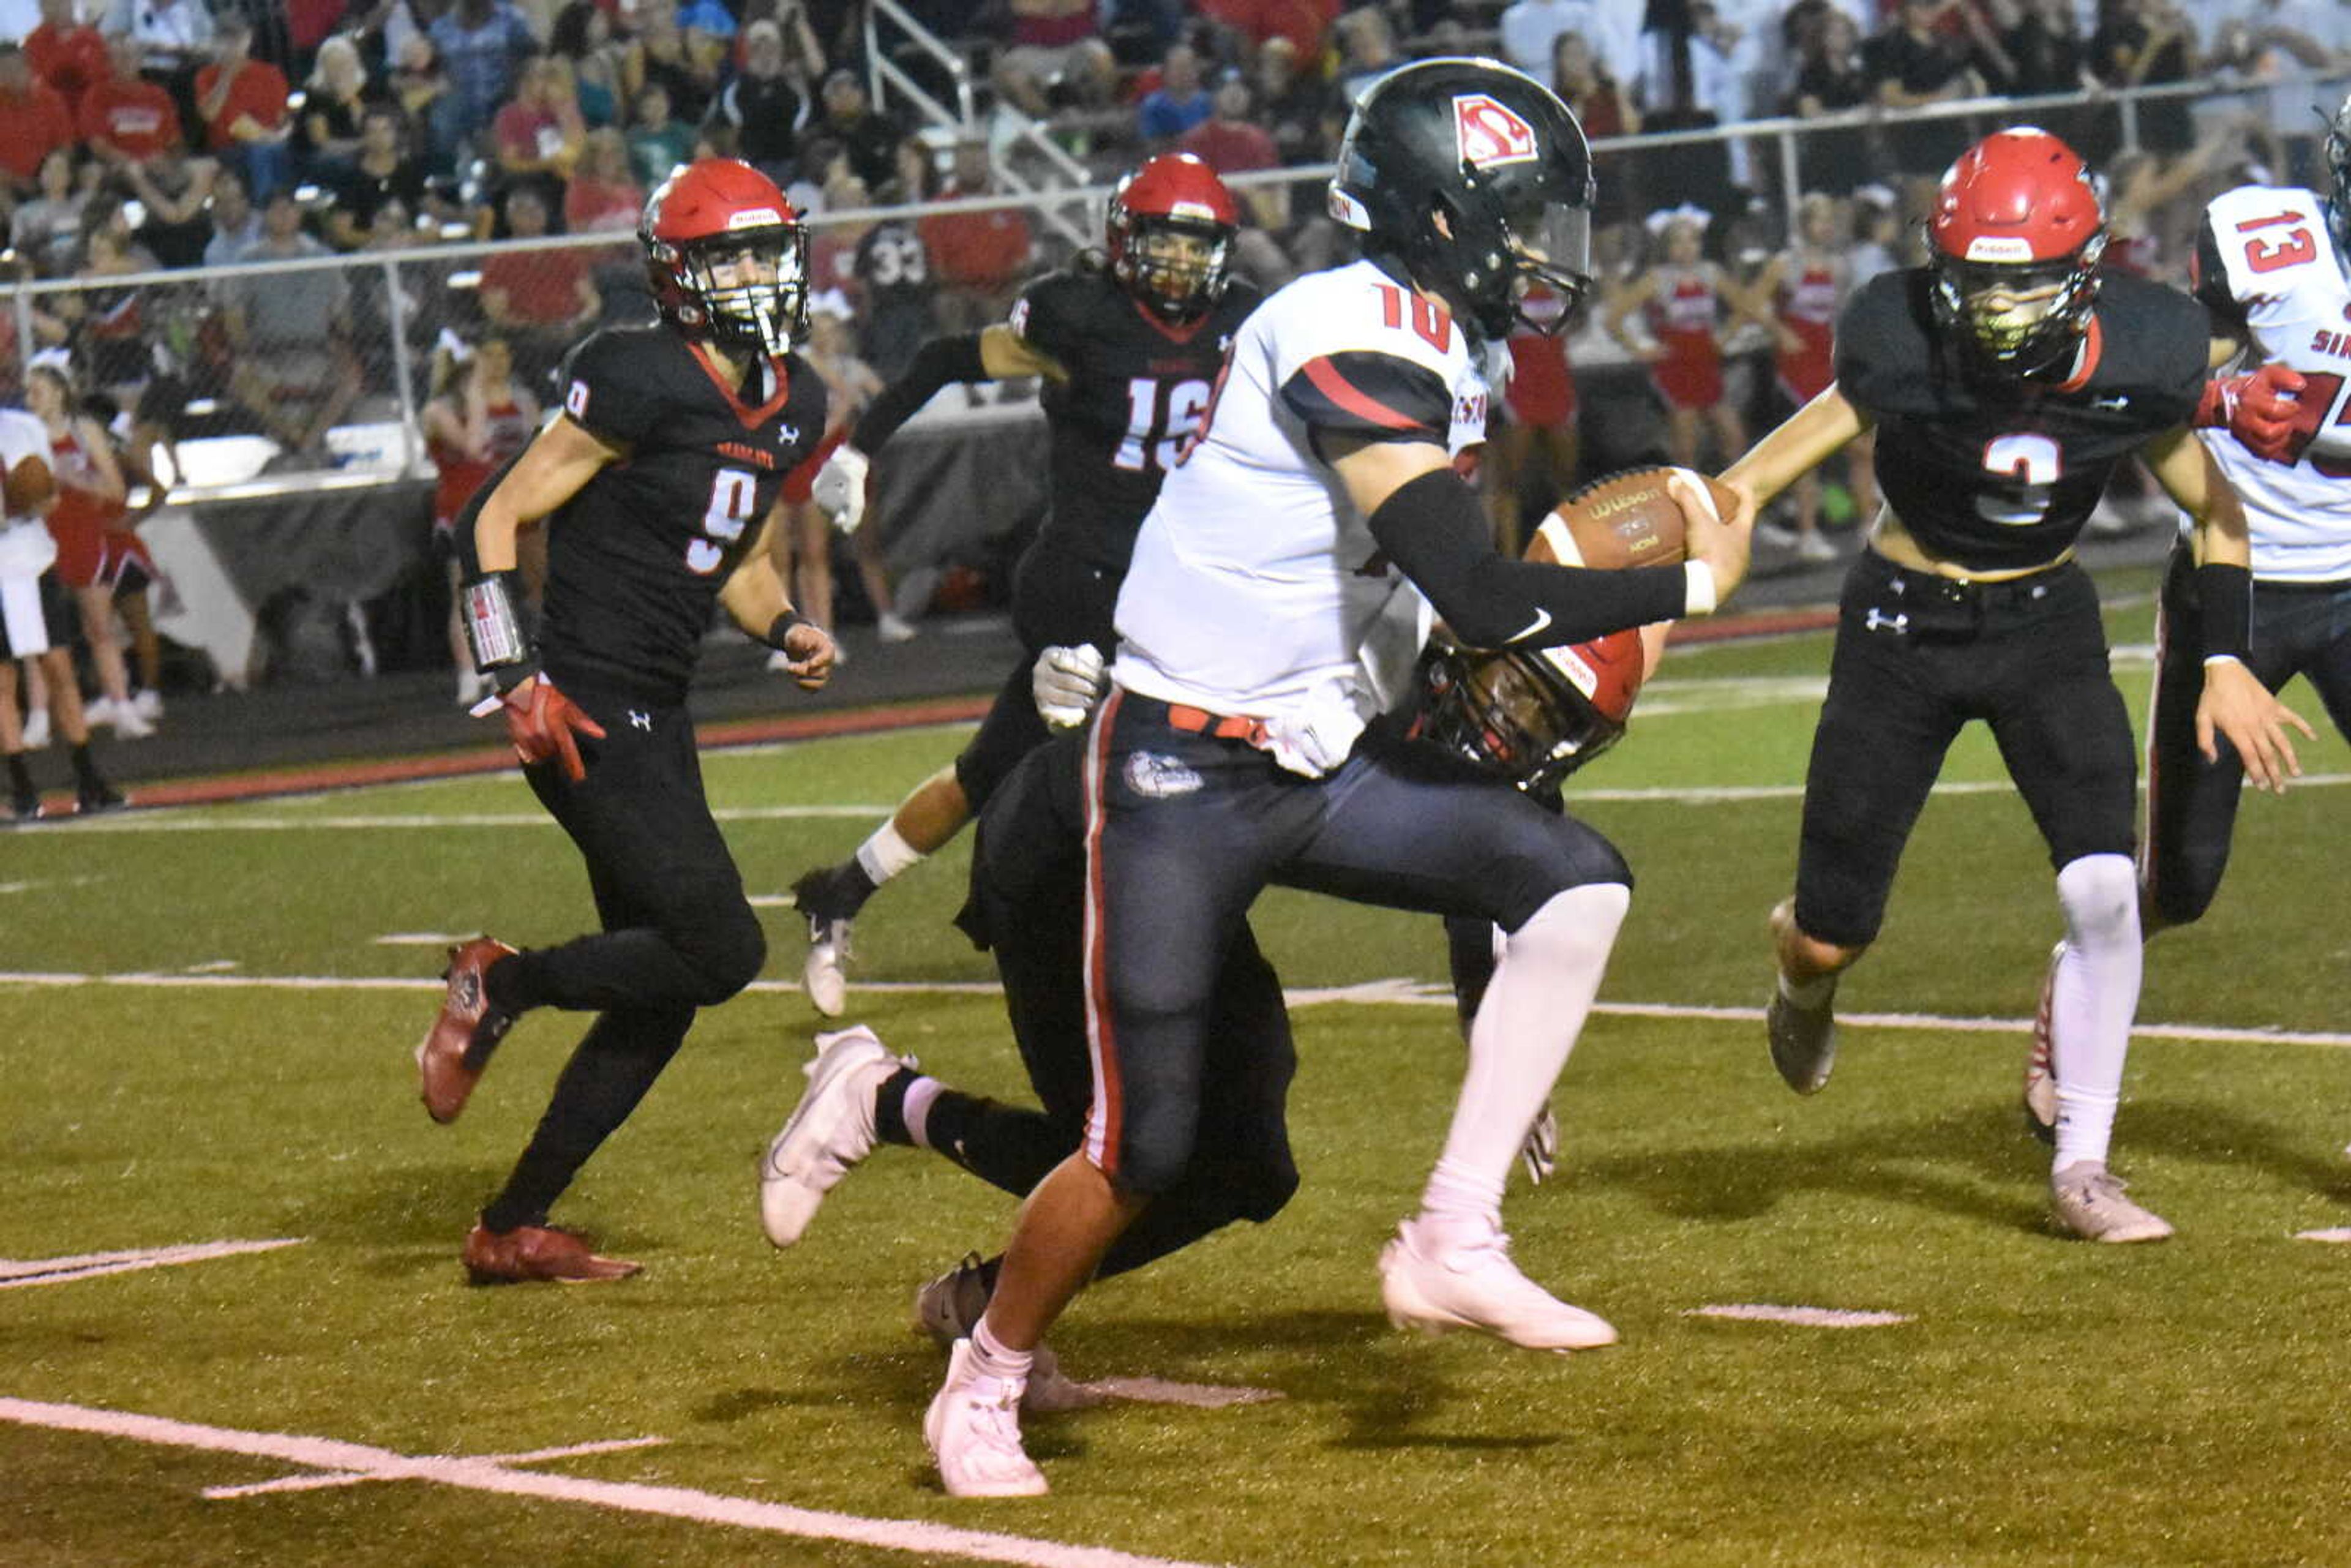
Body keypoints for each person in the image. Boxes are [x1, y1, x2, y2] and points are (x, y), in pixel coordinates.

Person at [912, 58, 1752, 1498]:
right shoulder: (1336, 327)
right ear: (1441, 217)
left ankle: (1455, 1232)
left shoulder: (1435, 341)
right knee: (1145, 1139)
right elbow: (1476, 590)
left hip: (1308, 757)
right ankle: (981, 1372)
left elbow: (1406, 605)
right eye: (1523, 217)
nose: (1546, 251)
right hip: (1177, 765)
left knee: (1570, 880)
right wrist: (1689, 581)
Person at [1725, 128, 2308, 1248]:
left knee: (2103, 891)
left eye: (2025, 282)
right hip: (1903, 628)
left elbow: (2219, 513)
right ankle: (1801, 983)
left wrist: (2227, 658)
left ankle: (2083, 1163)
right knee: (1831, 934)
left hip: (2046, 623)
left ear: (2086, 271)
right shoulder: (1900, 343)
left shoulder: (2143, 351)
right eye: (1977, 283)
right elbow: (1751, 482)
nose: (1996, 309)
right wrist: (1693, 555)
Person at [411, 159, 842, 1284]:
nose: (757, 276)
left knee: (664, 987)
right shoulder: (639, 375)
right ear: (681, 276)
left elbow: (737, 556)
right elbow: (492, 518)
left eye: (767, 252)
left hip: (662, 704)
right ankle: (499, 984)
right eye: (731, 256)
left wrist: (787, 623)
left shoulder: (797, 396)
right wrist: (514, 672)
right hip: (585, 703)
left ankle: (512, 1225)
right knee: (724, 947)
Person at [783, 152, 1260, 1016]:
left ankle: (843, 890)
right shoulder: (1081, 317)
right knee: (1123, 770)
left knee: (997, 768)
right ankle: (1124, 946)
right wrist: (856, 450)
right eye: (1168, 244)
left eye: (1200, 247)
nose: (1185, 265)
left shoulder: (1246, 321)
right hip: (1083, 581)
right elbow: (943, 358)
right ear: (1124, 242)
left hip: (1183, 581)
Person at [2020, 96, 2351, 1136]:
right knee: (2182, 879)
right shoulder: (2273, 242)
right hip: (2238, 576)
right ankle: (2065, 1008)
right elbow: (2163, 368)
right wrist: (2221, 394)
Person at [0, 400, 124, 822]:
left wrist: (27, 499)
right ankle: (21, 785)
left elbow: (48, 498)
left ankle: (88, 777)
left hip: (32, 557)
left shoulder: (21, 427)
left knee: (59, 668)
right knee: (3, 679)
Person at [24, 364, 149, 740]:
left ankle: (122, 707)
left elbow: (116, 490)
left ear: (60, 393)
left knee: (100, 627)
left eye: (40, 391)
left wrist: (77, 478)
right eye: (29, 392)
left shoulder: (85, 432)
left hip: (82, 536)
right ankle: (39, 718)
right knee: (37, 635)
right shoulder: (23, 436)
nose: (32, 399)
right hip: (40, 540)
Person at [423, 333, 539, 708]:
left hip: (491, 503)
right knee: (466, 591)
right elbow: (472, 447)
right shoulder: (438, 411)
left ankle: (501, 666)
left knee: (500, 588)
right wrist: (475, 399)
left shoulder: (496, 402)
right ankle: (469, 674)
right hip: (458, 507)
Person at [1748, 192, 1855, 561]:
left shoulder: (1839, 266)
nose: (1825, 227)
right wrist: (1779, 331)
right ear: (1804, 224)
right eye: (1818, 219)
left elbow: (1838, 313)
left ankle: (1868, 523)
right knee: (1806, 448)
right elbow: (1752, 302)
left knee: (1857, 444)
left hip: (1826, 359)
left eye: (1829, 219)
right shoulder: (1785, 264)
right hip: (1796, 365)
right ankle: (1808, 532)